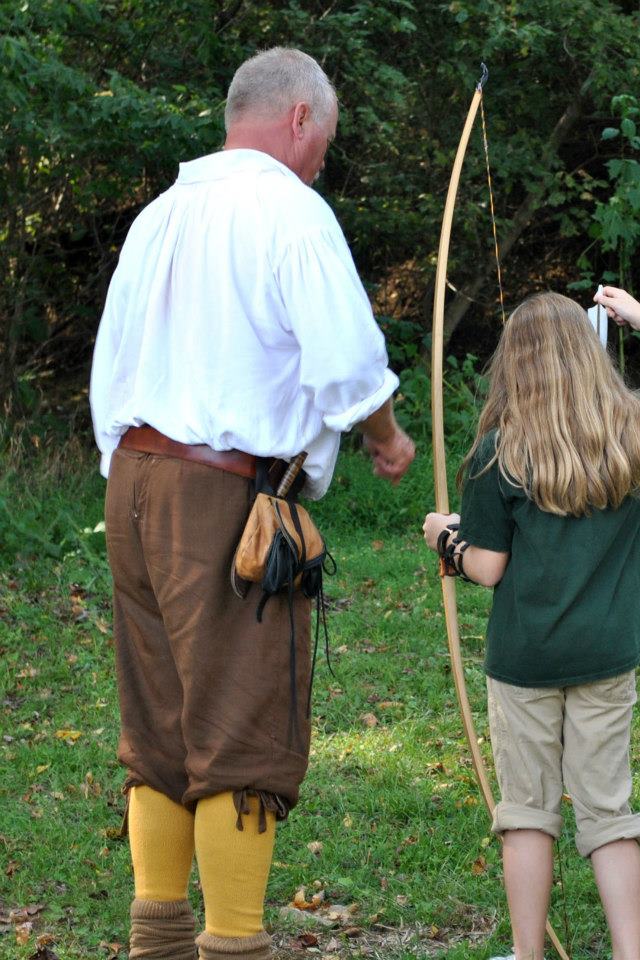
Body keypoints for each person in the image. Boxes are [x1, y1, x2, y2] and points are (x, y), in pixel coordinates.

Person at [90, 47, 414, 960]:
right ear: (299, 119)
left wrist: (130, 471)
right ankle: (232, 946)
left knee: (157, 722)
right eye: (326, 143)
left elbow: (108, 367)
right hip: (221, 496)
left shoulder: (160, 215)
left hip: (134, 485)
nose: (323, 164)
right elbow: (349, 363)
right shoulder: (289, 212)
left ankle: (156, 937)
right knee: (239, 723)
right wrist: (386, 439)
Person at [423, 287, 640, 960]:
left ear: (515, 365)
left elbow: (489, 568)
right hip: (607, 656)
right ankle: (628, 955)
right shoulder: (634, 426)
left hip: (526, 661)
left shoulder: (497, 452)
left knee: (528, 812)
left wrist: (444, 537)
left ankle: (529, 956)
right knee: (608, 812)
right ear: (589, 353)